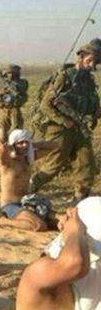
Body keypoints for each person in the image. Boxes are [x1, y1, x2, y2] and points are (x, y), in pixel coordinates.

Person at [29, 39, 101, 203]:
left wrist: (94, 113)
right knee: (55, 164)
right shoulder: (65, 77)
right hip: (59, 128)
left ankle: (80, 199)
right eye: (90, 60)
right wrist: (63, 121)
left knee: (86, 164)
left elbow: (92, 106)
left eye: (96, 62)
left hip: (80, 128)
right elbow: (45, 105)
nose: (92, 64)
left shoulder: (89, 81)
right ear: (81, 57)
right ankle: (29, 187)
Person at [0, 129, 59, 231]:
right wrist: (8, 146)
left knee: (57, 220)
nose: (24, 145)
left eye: (26, 142)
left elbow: (55, 145)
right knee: (39, 226)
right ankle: (2, 220)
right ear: (13, 144)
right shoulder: (8, 162)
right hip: (10, 205)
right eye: (20, 143)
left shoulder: (27, 159)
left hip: (27, 203)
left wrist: (31, 144)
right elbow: (1, 150)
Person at [0, 64, 29, 143]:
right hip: (3, 109)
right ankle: (4, 145)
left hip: (14, 109)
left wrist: (15, 90)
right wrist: (1, 93)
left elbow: (22, 90)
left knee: (16, 130)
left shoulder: (22, 83)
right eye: (8, 73)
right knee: (2, 130)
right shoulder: (4, 83)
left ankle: (15, 145)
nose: (10, 75)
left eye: (12, 73)